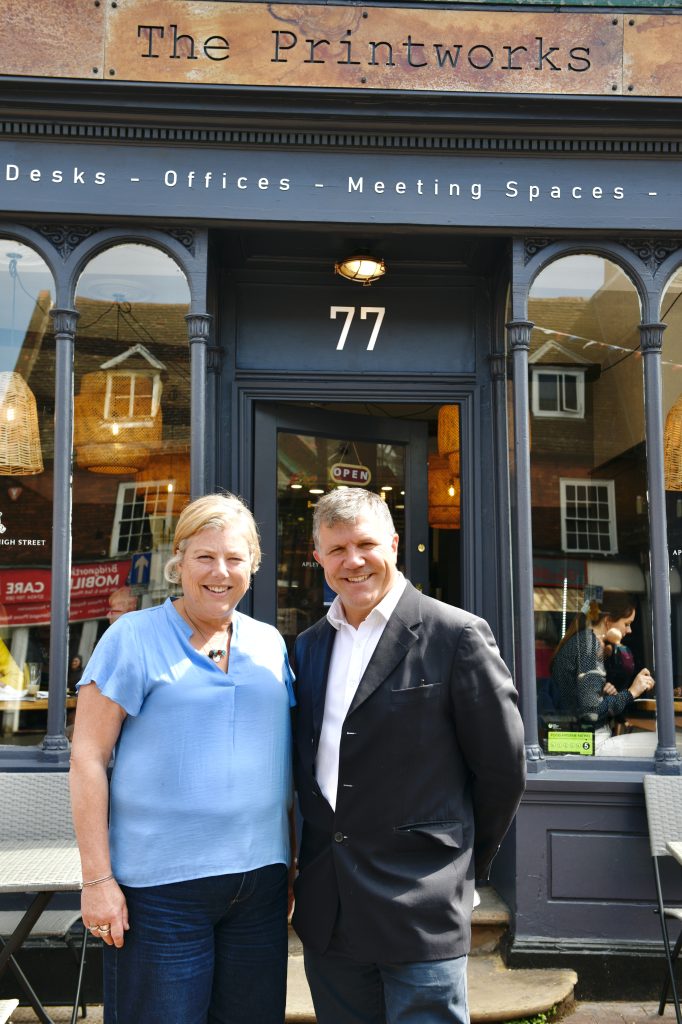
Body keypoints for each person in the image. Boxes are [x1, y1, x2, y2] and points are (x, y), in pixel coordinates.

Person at [291, 487, 526, 1024]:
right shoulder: (308, 646)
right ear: (318, 557)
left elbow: (502, 771)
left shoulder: (457, 634)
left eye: (365, 544)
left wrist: (459, 866)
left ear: (394, 544)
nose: (353, 561)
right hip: (331, 906)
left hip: (422, 900)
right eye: (336, 549)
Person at [69, 493, 295, 1024]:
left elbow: (281, 762)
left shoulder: (270, 644)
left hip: (260, 882)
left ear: (253, 567)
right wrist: (97, 880)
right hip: (159, 890)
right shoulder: (133, 637)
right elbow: (87, 757)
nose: (220, 572)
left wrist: (293, 862)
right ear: (179, 561)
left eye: (235, 559)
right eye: (205, 557)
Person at [550, 591, 655, 752]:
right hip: (590, 742)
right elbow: (592, 711)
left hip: (580, 740)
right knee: (669, 741)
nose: (629, 630)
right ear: (608, 621)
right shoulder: (589, 646)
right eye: (626, 623)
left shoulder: (584, 641)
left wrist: (605, 694)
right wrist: (632, 692)